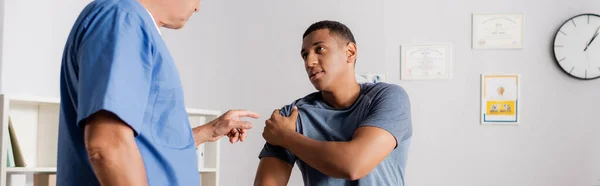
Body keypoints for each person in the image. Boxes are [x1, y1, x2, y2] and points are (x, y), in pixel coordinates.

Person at [57, 0, 259, 185]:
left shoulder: (129, 23)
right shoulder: (122, 19)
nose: (198, 7)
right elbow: (108, 145)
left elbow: (143, 142)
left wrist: (208, 131)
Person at [254, 20, 413, 186]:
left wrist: (287, 137)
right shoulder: (292, 115)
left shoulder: (389, 97)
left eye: (319, 49)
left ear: (350, 52)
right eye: (305, 55)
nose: (309, 62)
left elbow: (354, 165)